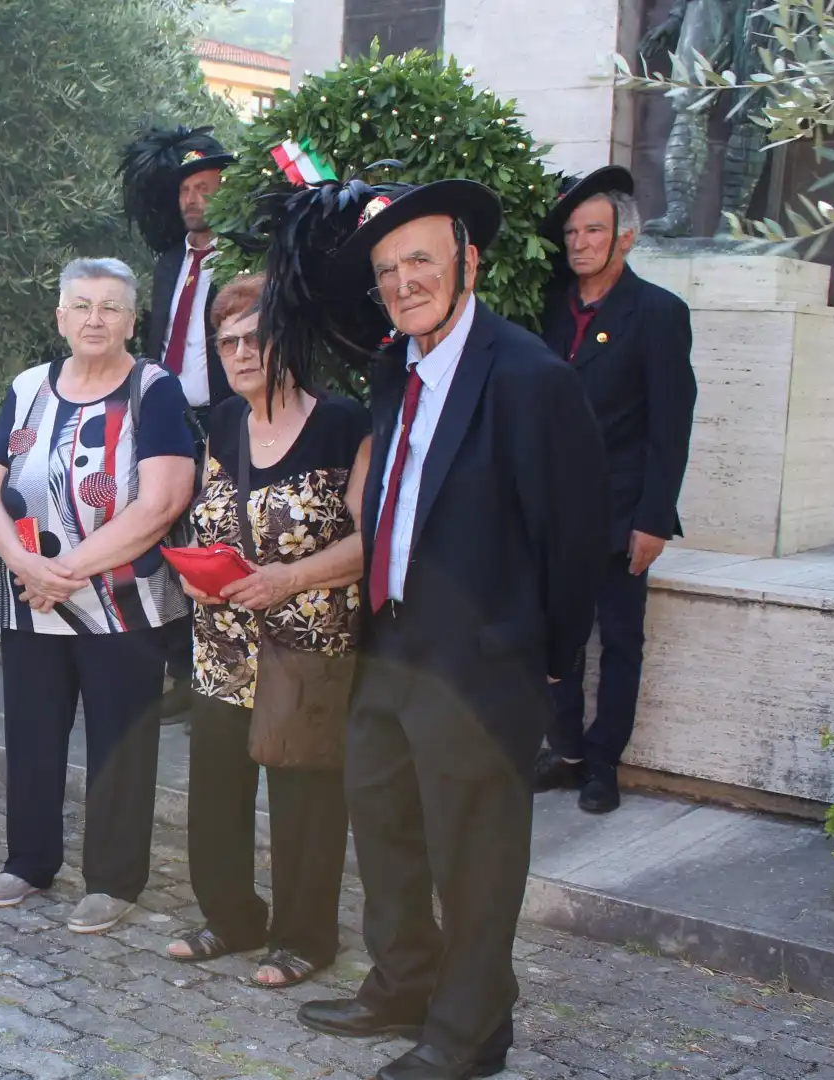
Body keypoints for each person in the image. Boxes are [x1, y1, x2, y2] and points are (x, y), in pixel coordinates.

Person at [269, 178, 607, 1080]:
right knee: (384, 829)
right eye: (387, 269)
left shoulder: (533, 378)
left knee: (476, 856)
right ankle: (401, 986)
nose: (403, 280)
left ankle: (469, 1034)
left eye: (420, 258)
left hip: (482, 661)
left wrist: (548, 661)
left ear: (470, 261)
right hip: (390, 644)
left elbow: (575, 543)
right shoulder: (397, 370)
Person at [0, 257, 193, 935]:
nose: (95, 318)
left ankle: (114, 879)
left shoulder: (154, 390)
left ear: (132, 320)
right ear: (61, 316)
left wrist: (61, 571)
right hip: (30, 603)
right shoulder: (28, 387)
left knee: (120, 746)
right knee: (32, 737)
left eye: (110, 307)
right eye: (81, 305)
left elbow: (160, 503)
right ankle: (29, 860)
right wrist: (23, 565)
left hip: (125, 610)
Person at [161, 272, 369, 986]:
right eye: (228, 343)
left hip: (307, 645)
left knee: (305, 796)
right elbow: (209, 518)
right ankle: (231, 917)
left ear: (287, 342)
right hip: (222, 645)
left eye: (256, 337)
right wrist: (192, 572)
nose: (242, 353)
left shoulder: (345, 423)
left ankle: (307, 937)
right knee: (216, 788)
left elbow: (373, 542)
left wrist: (287, 578)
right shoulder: (220, 424)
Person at [536, 167, 697, 814]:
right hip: (550, 513)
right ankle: (567, 749)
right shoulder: (547, 306)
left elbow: (670, 425)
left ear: (625, 237)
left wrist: (655, 518)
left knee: (620, 640)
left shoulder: (658, 314)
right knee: (556, 640)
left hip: (621, 512)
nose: (579, 243)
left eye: (594, 230)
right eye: (571, 231)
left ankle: (604, 763)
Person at [120, 125, 235, 726]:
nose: (194, 200)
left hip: (223, 414)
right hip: (164, 415)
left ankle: (213, 672)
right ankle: (176, 669)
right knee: (159, 537)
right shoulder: (167, 263)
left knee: (211, 539)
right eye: (188, 190)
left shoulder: (241, 257)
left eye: (207, 188)